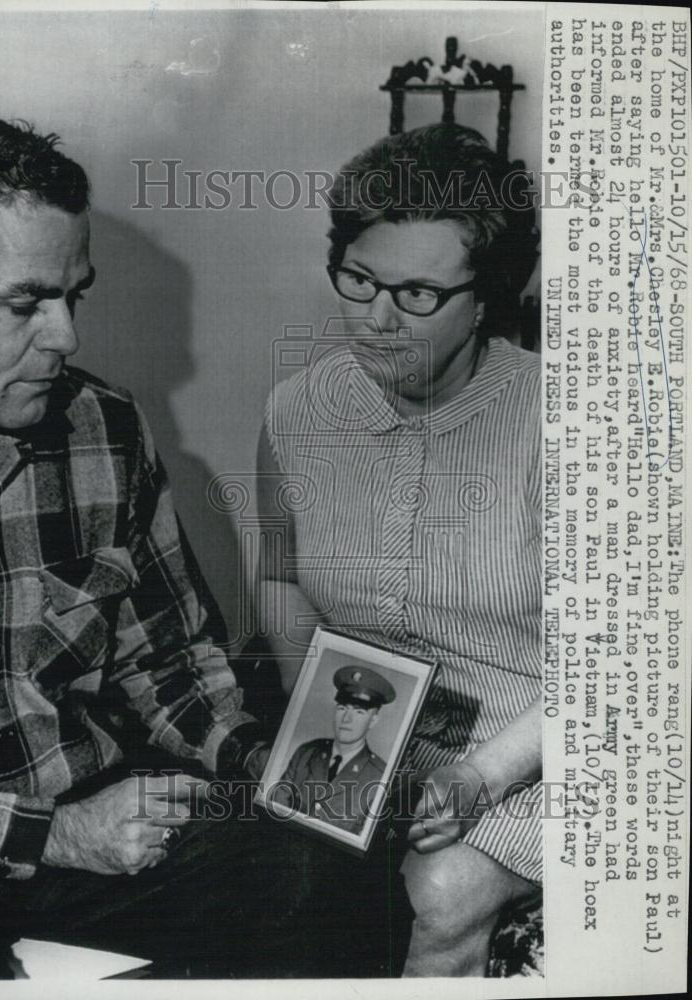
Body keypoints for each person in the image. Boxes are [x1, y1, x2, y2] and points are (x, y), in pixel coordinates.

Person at [0, 115, 411, 980]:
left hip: (85, 811)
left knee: (331, 883)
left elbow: (167, 660)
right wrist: (59, 838)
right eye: (25, 303)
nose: (64, 337)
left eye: (71, 296)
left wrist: (265, 761)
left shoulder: (102, 428)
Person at [257, 123, 542, 976]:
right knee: (263, 876)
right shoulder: (295, 411)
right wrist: (307, 716)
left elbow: (627, 666)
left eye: (417, 294)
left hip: (531, 745)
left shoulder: (564, 418)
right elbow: (278, 577)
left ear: (487, 294)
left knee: (442, 890)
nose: (375, 319)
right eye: (358, 279)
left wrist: (482, 777)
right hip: (367, 738)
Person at [277, 666, 393, 834]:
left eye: (359, 712)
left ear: (373, 720)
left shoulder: (380, 776)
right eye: (342, 708)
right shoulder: (306, 752)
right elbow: (278, 802)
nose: (347, 719)